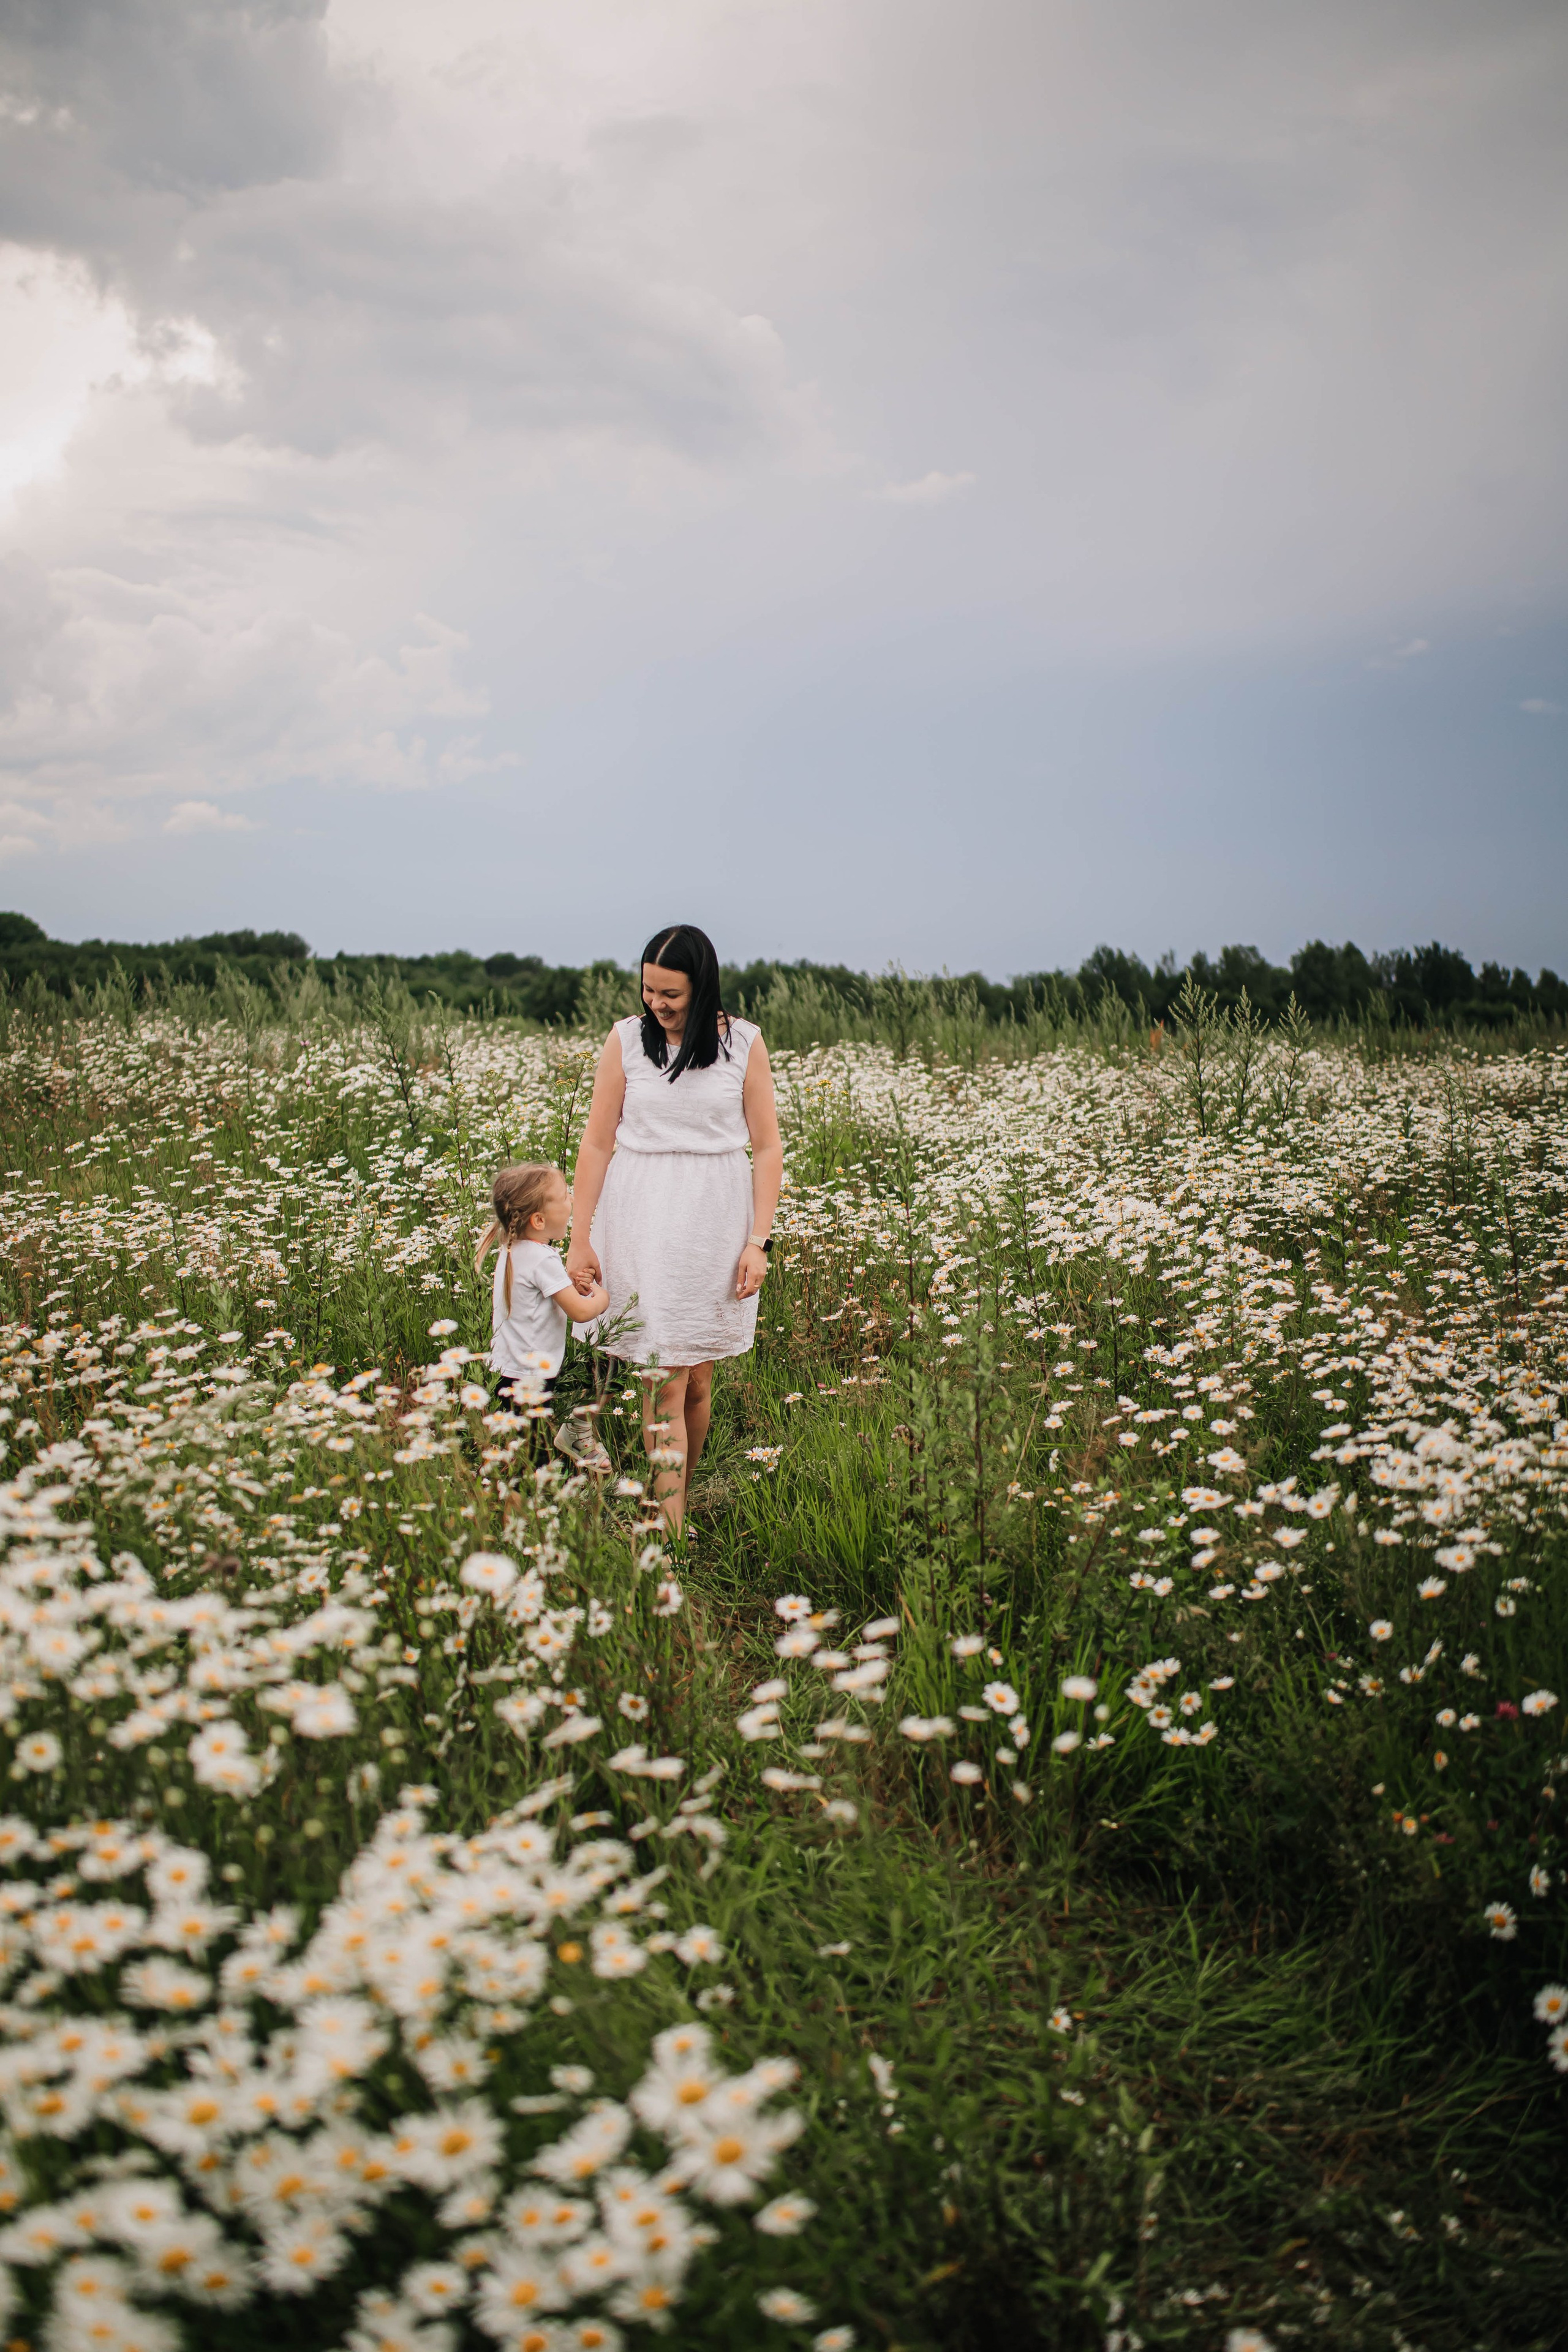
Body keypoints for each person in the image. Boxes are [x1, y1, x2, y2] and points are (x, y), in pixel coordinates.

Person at [567, 924, 783, 1532]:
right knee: (663, 1377)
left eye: (671, 995)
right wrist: (579, 1237)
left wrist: (757, 1241)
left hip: (715, 1219)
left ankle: (673, 1499)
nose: (656, 1005)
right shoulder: (625, 1043)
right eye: (648, 991)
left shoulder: (744, 1043)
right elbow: (596, 1141)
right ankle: (669, 1532)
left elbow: (766, 1148)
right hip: (640, 1216)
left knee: (697, 1378)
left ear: (703, 987)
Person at [475, 1161, 612, 1471]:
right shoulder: (541, 1258)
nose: (572, 1201)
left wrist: (568, 1284)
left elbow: (543, 1294)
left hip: (514, 1372)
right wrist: (601, 1298)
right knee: (532, 1461)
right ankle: (523, 1510)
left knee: (524, 1450)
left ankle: (522, 1499)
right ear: (539, 1220)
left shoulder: (513, 1251)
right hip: (533, 1378)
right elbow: (579, 1312)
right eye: (565, 1197)